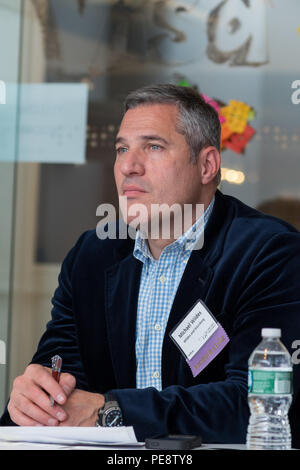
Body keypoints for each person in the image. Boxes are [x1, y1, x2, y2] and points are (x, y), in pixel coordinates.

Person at [1, 84, 300, 447]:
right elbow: (63, 379)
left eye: (153, 146)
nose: (128, 165)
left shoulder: (270, 252)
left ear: (207, 165)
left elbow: (256, 404)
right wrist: (35, 399)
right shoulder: (91, 256)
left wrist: (111, 412)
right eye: (122, 149)